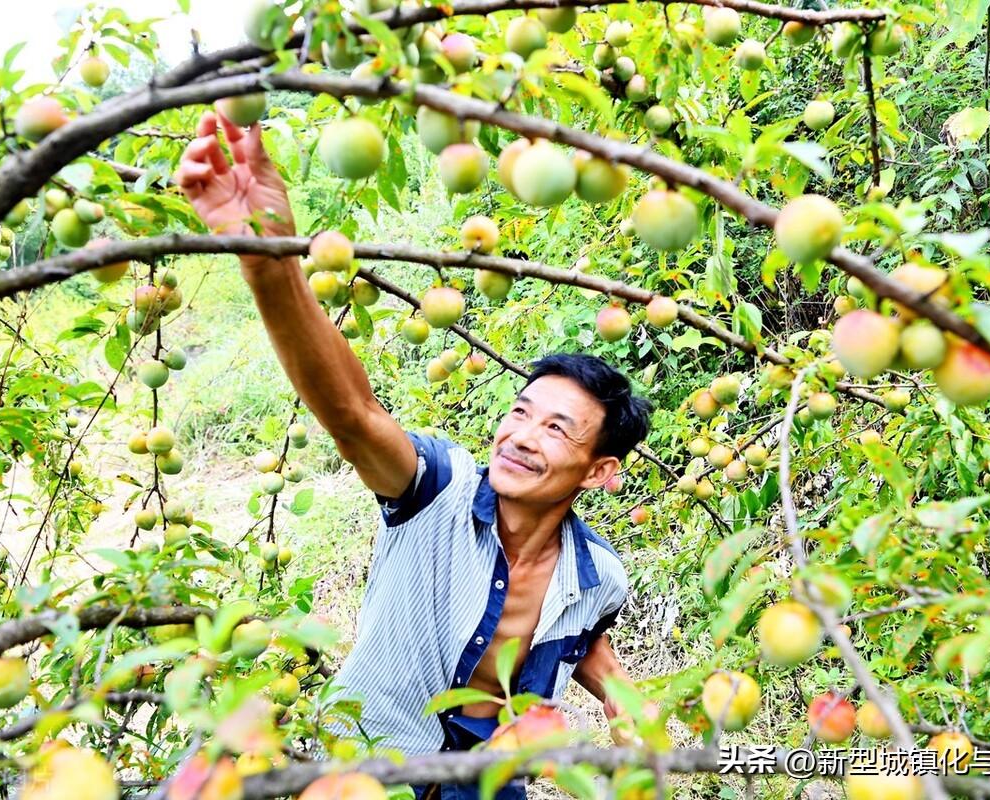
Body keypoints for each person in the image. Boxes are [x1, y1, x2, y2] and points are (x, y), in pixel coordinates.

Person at [176, 110, 655, 800]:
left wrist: (624, 699)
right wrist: (269, 262)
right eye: (520, 411)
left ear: (601, 472)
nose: (521, 436)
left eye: (556, 429)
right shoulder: (438, 491)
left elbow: (580, 633)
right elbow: (353, 415)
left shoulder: (599, 575)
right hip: (372, 775)